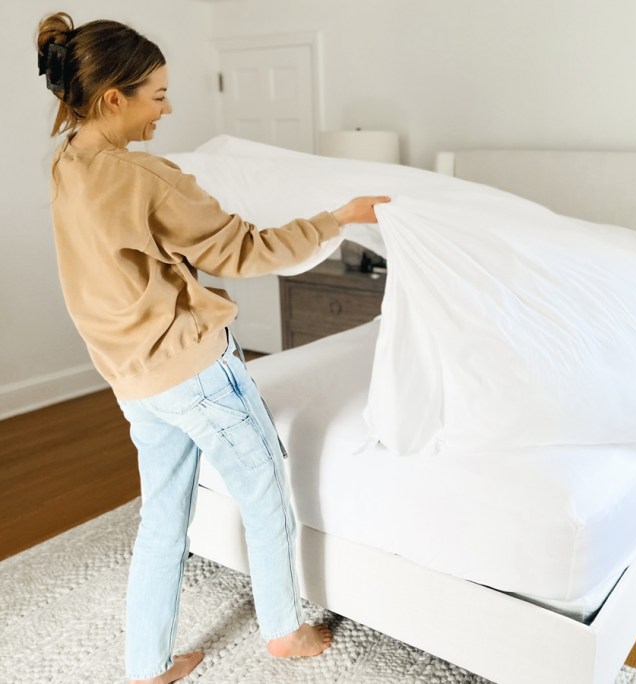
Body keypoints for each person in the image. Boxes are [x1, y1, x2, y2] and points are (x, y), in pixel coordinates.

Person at [36, 12, 390, 684]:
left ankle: (148, 664)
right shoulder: (146, 178)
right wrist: (337, 220)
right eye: (158, 96)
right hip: (193, 371)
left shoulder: (67, 166)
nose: (166, 111)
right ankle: (283, 630)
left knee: (163, 518)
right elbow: (245, 248)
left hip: (134, 380)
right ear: (115, 97)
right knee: (264, 491)